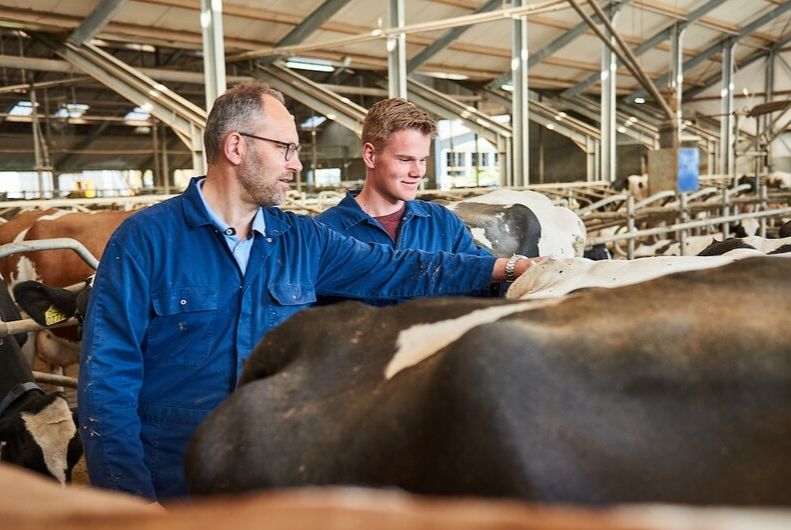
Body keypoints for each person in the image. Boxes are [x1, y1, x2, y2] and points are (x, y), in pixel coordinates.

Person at [78, 82, 533, 503]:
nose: (296, 164)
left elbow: (398, 268)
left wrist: (511, 266)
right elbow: (107, 381)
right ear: (236, 146)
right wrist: (132, 500)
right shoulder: (145, 240)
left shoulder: (300, 239)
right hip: (175, 480)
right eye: (286, 149)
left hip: (274, 470)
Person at [316, 98, 493, 306]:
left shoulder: (442, 221)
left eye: (422, 160)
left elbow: (486, 281)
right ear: (370, 155)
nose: (417, 172)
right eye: (405, 159)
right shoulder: (324, 232)